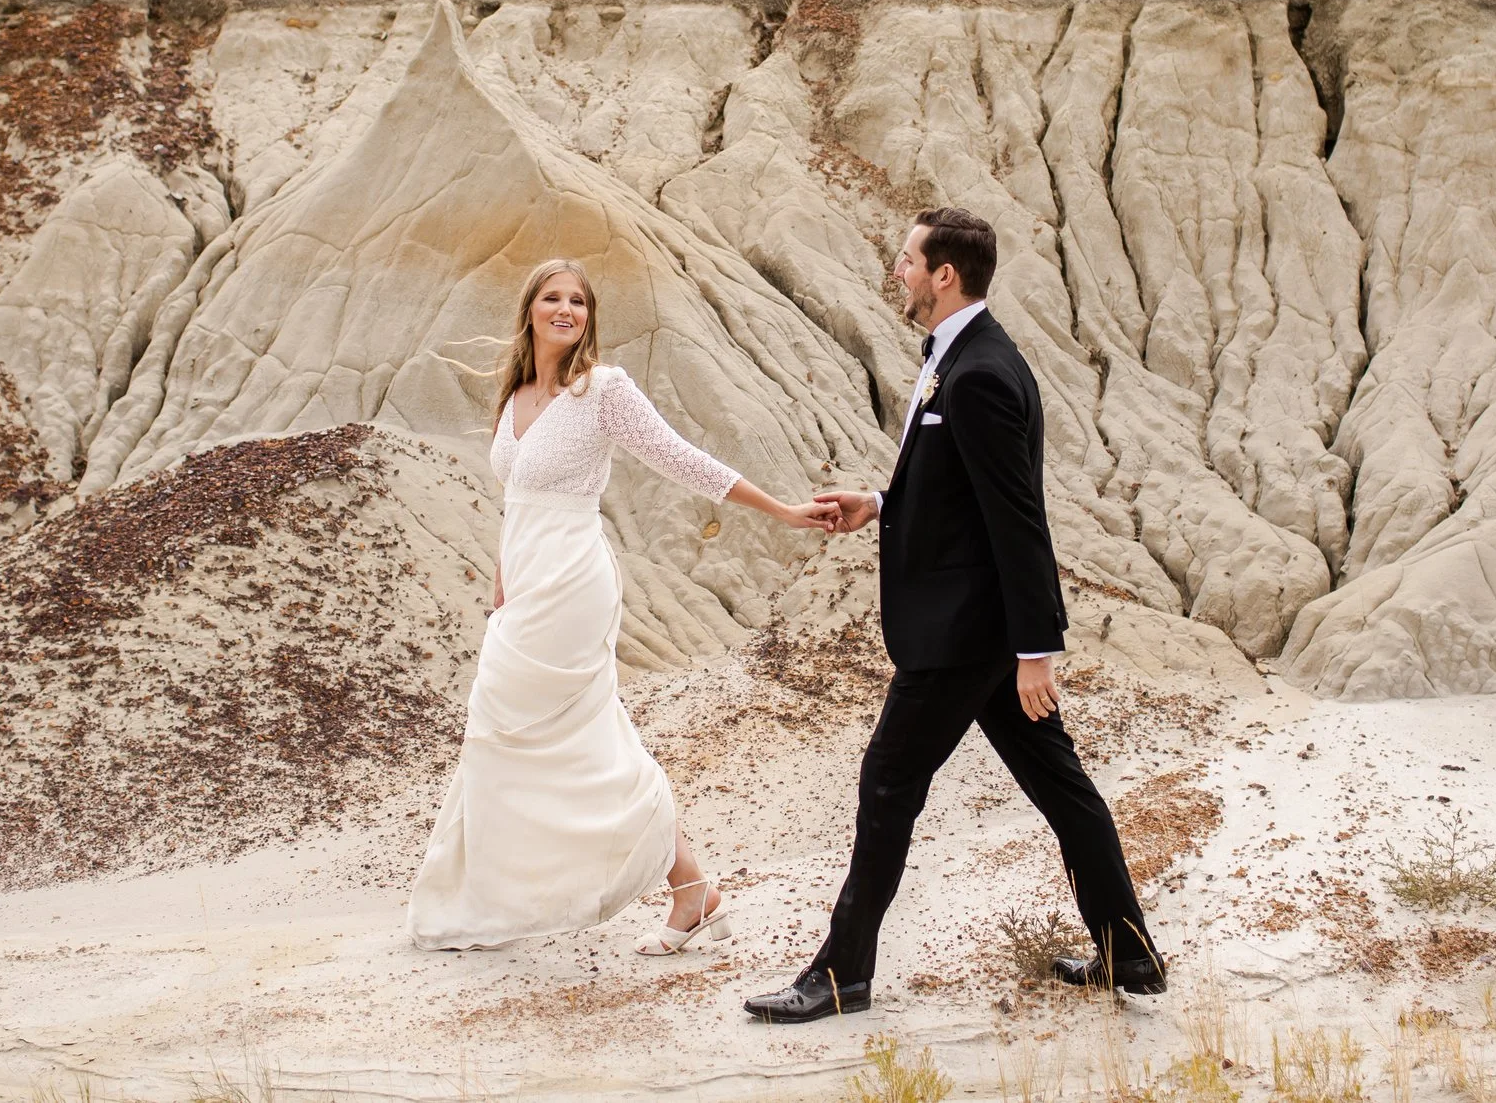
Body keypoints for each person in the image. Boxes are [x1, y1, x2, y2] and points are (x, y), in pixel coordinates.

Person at [742, 207, 1167, 1022]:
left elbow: (1018, 519)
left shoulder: (978, 375)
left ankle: (840, 975)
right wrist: (877, 501)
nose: (896, 271)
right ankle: (1132, 956)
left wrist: (1037, 647)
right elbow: (958, 494)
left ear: (945, 274)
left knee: (887, 780)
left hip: (966, 636)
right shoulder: (963, 357)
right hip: (983, 632)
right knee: (1063, 788)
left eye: (907, 260)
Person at [408, 258, 835, 953]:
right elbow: (514, 505)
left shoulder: (602, 390)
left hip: (573, 584)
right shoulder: (514, 393)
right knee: (501, 729)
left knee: (581, 738)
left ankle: (688, 889)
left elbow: (682, 458)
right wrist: (498, 593)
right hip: (521, 592)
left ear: (590, 317)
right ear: (530, 309)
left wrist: (784, 511)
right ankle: (665, 891)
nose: (566, 308)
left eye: (579, 299)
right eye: (552, 296)